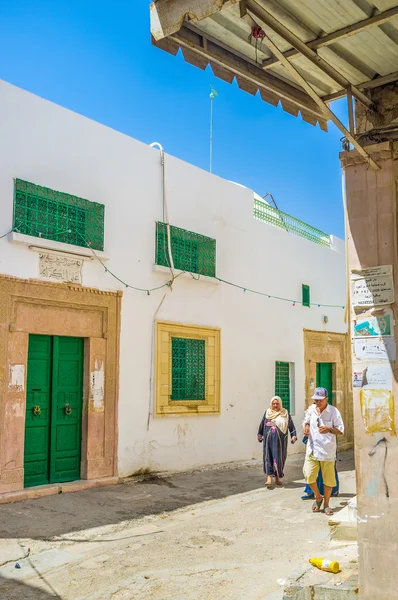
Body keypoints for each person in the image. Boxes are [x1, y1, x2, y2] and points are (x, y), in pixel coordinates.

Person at [302, 387, 344, 515]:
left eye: (320, 400)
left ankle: (326, 504)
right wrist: (307, 426)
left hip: (327, 451)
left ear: (326, 399)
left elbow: (341, 430)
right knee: (309, 476)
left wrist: (329, 429)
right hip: (312, 449)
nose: (318, 402)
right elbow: (306, 420)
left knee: (328, 480)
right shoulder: (311, 410)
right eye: (316, 400)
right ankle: (318, 497)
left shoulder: (333, 412)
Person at [258, 396, 297, 487]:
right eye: (273, 403)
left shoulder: (285, 413)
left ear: (280, 404)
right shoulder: (268, 413)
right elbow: (262, 424)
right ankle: (269, 478)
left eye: (277, 403)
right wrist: (259, 434)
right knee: (268, 457)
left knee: (278, 458)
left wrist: (293, 435)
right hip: (268, 441)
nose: (275, 405)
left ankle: (277, 477)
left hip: (280, 442)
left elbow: (291, 425)